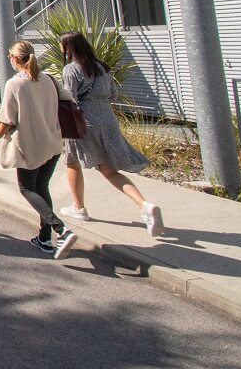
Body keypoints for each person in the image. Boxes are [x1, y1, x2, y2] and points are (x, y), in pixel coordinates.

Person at [58, 32, 163, 237]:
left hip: (84, 122)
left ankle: (78, 207)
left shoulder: (71, 69)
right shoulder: (102, 67)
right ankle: (144, 205)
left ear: (68, 47)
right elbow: (113, 94)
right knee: (108, 169)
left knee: (72, 162)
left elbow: (70, 99)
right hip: (108, 119)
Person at [0, 40, 78, 259]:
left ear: (16, 59)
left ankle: (60, 229)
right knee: (41, 188)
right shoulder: (48, 79)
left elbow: (7, 120)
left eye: (10, 56)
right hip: (52, 142)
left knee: (27, 189)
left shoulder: (15, 84)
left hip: (29, 144)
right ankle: (44, 239)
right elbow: (68, 100)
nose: (9, 59)